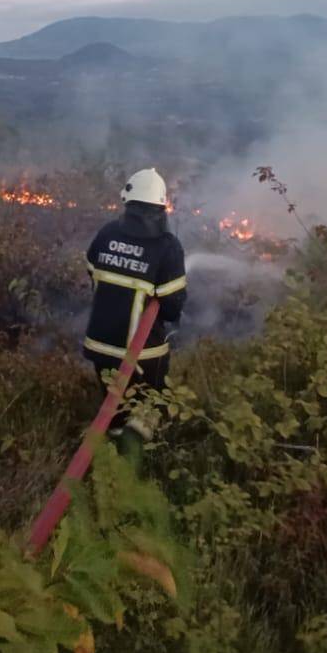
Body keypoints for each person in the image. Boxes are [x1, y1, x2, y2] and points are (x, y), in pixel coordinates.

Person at [82, 167, 187, 451]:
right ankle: (137, 459)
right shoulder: (167, 247)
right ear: (161, 207)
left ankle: (114, 452)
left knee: (115, 409)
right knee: (151, 407)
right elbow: (172, 305)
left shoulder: (106, 233)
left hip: (100, 347)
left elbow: (92, 272)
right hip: (142, 353)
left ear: (127, 202)